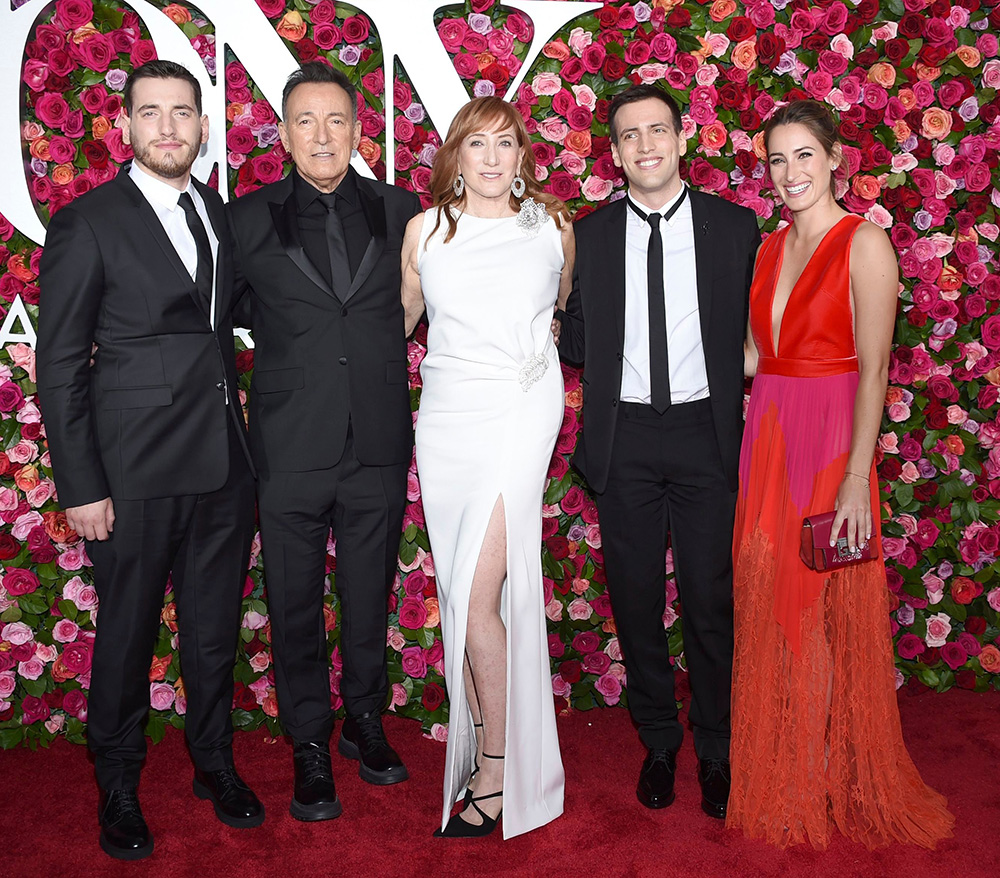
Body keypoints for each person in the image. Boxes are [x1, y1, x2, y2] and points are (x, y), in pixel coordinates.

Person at [36, 60, 261, 860]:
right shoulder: (87, 222)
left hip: (224, 467)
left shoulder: (217, 212)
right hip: (129, 473)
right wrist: (82, 485)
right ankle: (119, 784)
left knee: (211, 635)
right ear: (123, 127)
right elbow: (59, 363)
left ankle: (214, 766)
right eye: (151, 112)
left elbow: (228, 319)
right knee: (127, 636)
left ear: (203, 128)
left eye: (183, 113)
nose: (169, 127)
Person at [727, 99, 954, 848]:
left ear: (833, 161)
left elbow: (876, 367)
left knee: (814, 598)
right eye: (776, 160)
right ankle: (788, 769)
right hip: (769, 429)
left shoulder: (866, 244)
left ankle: (823, 773)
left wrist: (858, 475)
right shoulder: (768, 248)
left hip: (831, 440)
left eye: (802, 156)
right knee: (768, 595)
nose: (789, 173)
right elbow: (758, 358)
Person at [557, 84, 760, 819]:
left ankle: (715, 748)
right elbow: (576, 340)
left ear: (682, 140)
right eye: (629, 135)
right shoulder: (592, 234)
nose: (645, 145)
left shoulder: (736, 228)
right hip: (629, 438)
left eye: (658, 131)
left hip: (709, 434)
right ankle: (658, 740)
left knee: (710, 601)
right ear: (613, 153)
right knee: (636, 601)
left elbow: (763, 330)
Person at [226, 62, 420, 821]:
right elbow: (219, 317)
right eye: (305, 121)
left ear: (357, 130)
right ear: (283, 133)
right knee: (295, 599)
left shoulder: (403, 210)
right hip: (288, 444)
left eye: (336, 120)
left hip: (375, 436)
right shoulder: (243, 219)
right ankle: (309, 739)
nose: (322, 135)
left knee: (368, 591)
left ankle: (364, 722)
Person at [401, 96, 574, 839]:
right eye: (479, 145)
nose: (494, 159)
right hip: (445, 425)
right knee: (461, 590)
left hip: (517, 416)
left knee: (475, 598)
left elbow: (558, 310)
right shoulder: (427, 231)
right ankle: (483, 750)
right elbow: (397, 323)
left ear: (523, 155)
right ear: (456, 157)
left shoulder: (552, 228)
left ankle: (501, 769)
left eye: (507, 144)